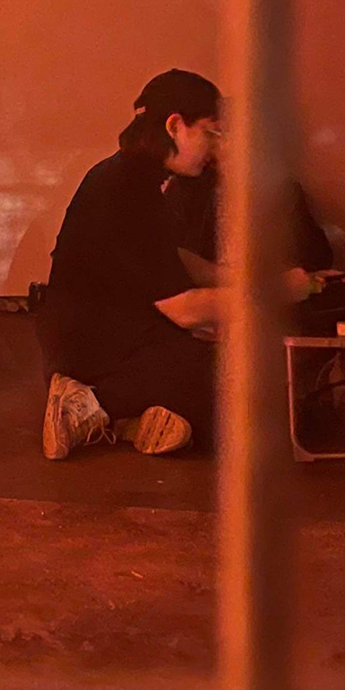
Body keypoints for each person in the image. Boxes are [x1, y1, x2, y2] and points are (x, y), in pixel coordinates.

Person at [39, 70, 314, 460]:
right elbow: (184, 309)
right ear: (174, 126)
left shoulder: (133, 177)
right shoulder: (128, 188)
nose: (216, 147)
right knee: (248, 382)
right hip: (99, 352)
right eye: (210, 133)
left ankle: (126, 421)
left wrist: (247, 278)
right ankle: (88, 403)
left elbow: (173, 259)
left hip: (103, 339)